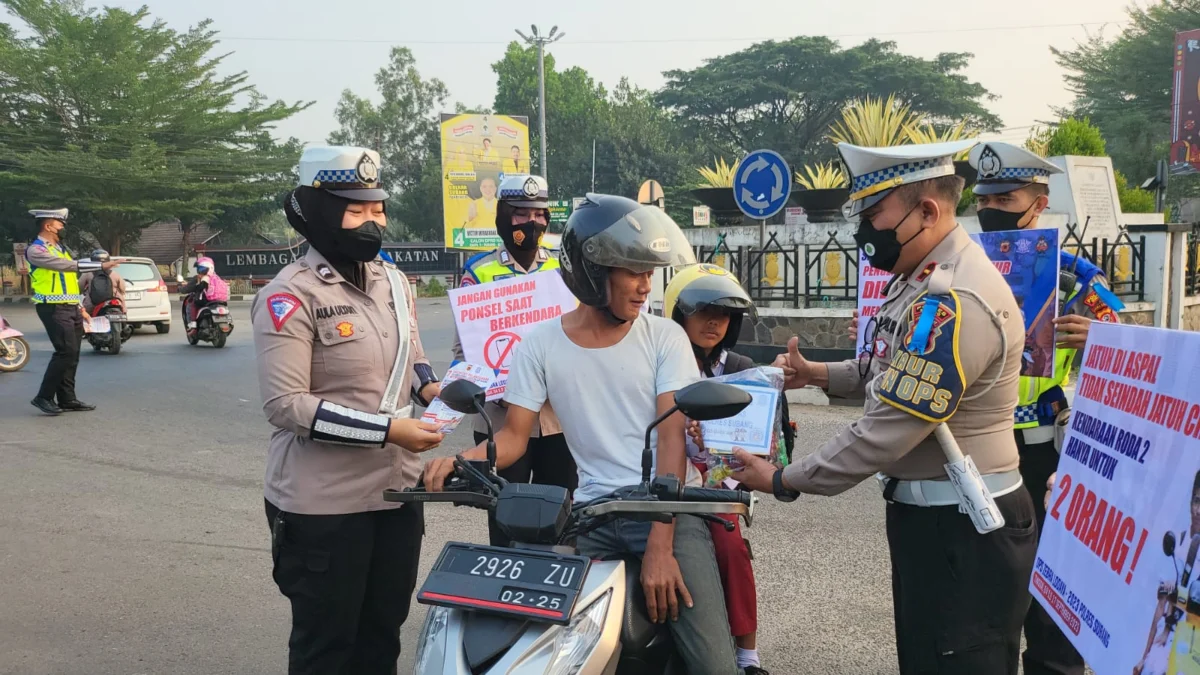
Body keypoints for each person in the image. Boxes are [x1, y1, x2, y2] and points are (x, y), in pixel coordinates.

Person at [734, 140, 1037, 675]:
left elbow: (889, 428)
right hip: (933, 523)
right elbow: (890, 372)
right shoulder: (921, 278)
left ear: (928, 211)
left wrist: (785, 478)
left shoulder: (956, 299)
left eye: (875, 215)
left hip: (964, 530)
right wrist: (818, 374)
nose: (864, 232)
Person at [425, 193, 743, 675]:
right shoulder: (540, 345)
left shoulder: (664, 337)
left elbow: (671, 443)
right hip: (590, 515)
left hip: (661, 512)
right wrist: (462, 462)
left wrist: (660, 546)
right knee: (554, 653)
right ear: (593, 272)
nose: (644, 287)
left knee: (715, 665)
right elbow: (513, 439)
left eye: (649, 273)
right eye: (632, 272)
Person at [251, 145, 445, 675]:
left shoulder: (394, 281)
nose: (372, 221)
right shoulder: (289, 295)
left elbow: (415, 357)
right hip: (324, 508)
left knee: (382, 638)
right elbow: (285, 404)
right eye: (355, 210)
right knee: (327, 648)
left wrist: (435, 392)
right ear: (317, 210)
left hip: (395, 496)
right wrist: (389, 431)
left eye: (377, 208)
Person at [969, 141, 1124, 675]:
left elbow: (1130, 354)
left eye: (1005, 197)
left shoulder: (1077, 277)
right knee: (984, 596)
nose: (990, 209)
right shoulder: (954, 270)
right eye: (983, 197)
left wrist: (1099, 337)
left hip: (1045, 457)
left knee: (1053, 595)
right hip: (976, 454)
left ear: (1038, 203)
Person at [666, 262, 793, 675]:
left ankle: (747, 653)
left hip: (718, 489)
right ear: (678, 314)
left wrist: (722, 457)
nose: (715, 322)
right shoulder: (662, 363)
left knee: (732, 548)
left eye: (725, 315)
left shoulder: (743, 371)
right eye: (704, 312)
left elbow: (771, 450)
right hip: (664, 484)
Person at [451, 174, 578, 547]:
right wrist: (489, 389)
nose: (532, 223)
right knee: (506, 517)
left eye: (540, 214)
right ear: (504, 216)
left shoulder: (561, 271)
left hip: (558, 418)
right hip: (500, 416)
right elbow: (465, 350)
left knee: (562, 513)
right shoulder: (479, 272)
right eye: (521, 214)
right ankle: (505, 595)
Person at [25, 208, 118, 415]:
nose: (63, 227)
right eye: (60, 224)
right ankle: (43, 397)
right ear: (48, 226)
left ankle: (67, 398)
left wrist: (80, 307)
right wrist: (100, 266)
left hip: (70, 306)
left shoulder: (60, 248)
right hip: (52, 307)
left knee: (73, 353)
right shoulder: (36, 250)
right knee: (65, 352)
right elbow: (66, 267)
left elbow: (69, 283)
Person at [1135, 471, 1200, 675]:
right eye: (1197, 501)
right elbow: (1162, 603)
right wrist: (1143, 657)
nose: (1198, 510)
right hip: (1168, 642)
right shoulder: (1180, 543)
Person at [181, 256, 229, 332]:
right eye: (199, 269)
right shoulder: (216, 278)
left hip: (206, 300)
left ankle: (193, 325)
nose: (199, 272)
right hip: (220, 300)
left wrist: (182, 289)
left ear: (208, 269)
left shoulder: (203, 278)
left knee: (191, 305)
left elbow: (198, 287)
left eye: (201, 269)